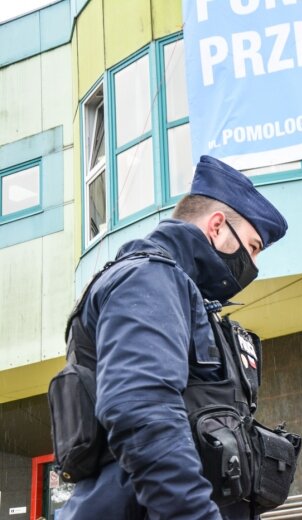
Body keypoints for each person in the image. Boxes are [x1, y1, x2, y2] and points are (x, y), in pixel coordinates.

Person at [57, 155, 288, 519]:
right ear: (216, 226)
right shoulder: (150, 278)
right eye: (253, 246)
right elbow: (143, 412)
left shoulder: (177, 289)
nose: (254, 265)